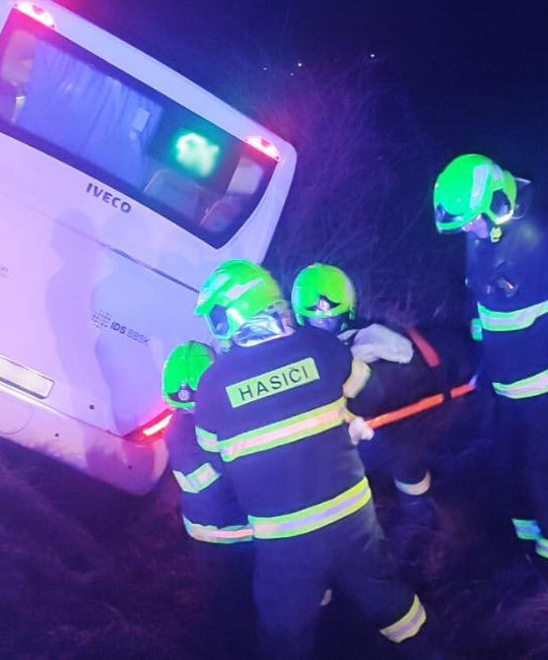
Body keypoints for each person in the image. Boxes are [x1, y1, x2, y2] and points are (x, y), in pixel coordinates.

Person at [191, 259, 438, 659]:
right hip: (353, 520)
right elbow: (370, 393)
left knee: (284, 632)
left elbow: (215, 457)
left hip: (285, 540)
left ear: (235, 313)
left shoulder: (212, 386)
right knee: (391, 601)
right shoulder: (321, 347)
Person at [433, 154, 548, 577]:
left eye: (472, 220)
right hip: (507, 394)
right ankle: (527, 557)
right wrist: (485, 365)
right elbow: (486, 311)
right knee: (508, 473)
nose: (466, 228)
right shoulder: (480, 241)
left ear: (500, 203)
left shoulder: (543, 246)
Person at [290, 263, 475, 518]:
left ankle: (421, 519)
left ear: (347, 312)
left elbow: (384, 386)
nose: (324, 325)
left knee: (403, 452)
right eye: (316, 320)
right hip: (356, 438)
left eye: (331, 319)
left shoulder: (371, 339)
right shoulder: (296, 352)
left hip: (393, 427)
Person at [161, 340, 255, 657]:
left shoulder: (176, 428)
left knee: (226, 610)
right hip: (236, 538)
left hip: (208, 540)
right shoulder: (199, 427)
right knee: (242, 613)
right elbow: (220, 485)